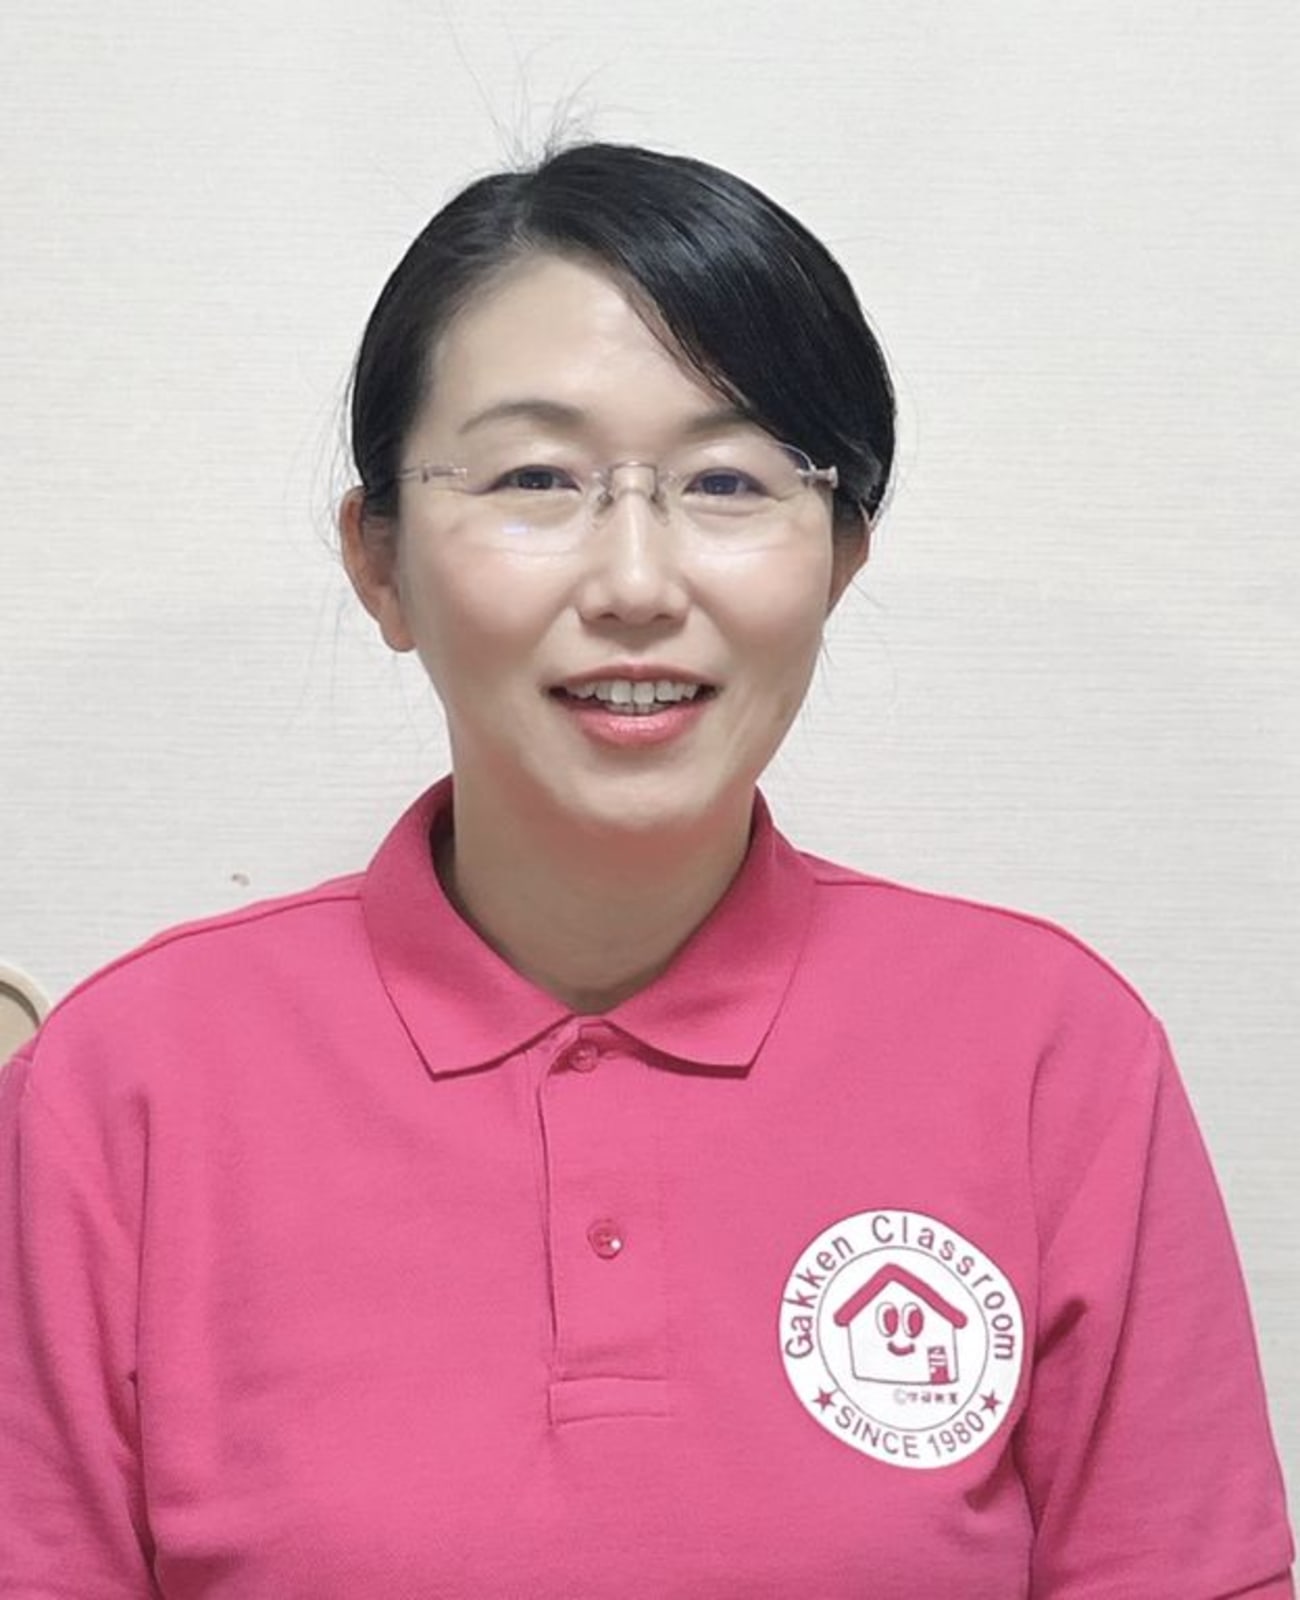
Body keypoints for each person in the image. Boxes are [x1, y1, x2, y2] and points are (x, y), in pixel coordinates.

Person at [0, 141, 1292, 1599]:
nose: (633, 583)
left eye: (728, 479)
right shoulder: (121, 1091)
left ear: (841, 557)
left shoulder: (1051, 1055)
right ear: (380, 563)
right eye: (534, 477)